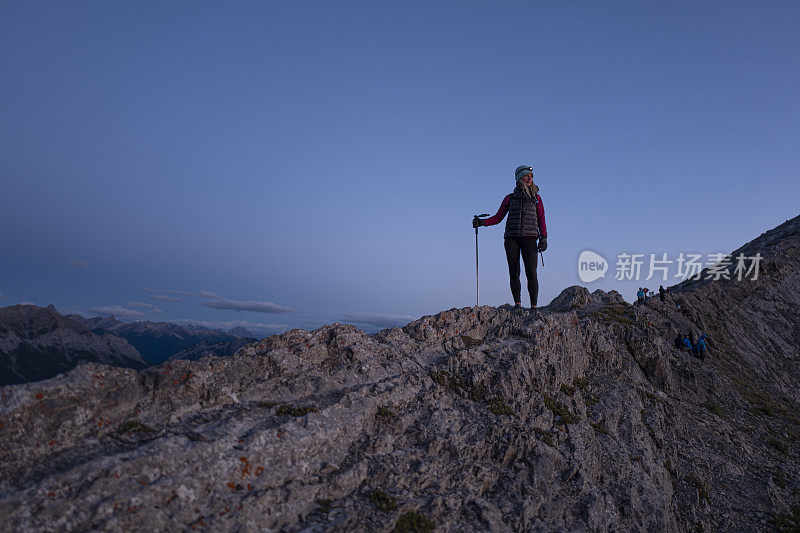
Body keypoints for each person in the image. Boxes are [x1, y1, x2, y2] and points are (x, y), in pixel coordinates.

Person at [474, 165, 547, 310]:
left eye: (531, 177)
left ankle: (534, 306)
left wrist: (544, 237)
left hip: (530, 238)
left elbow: (542, 219)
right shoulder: (509, 198)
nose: (529, 179)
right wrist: (481, 223)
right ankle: (517, 304)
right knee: (514, 271)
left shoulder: (537, 199)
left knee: (531, 272)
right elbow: (497, 218)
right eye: (526, 176)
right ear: (519, 178)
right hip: (511, 239)